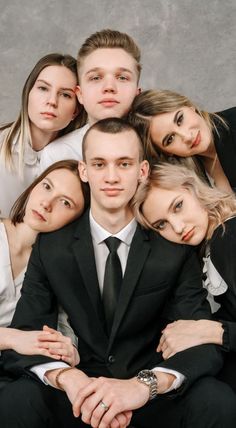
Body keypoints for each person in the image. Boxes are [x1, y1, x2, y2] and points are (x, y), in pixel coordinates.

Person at [1, 118, 236, 428]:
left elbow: (199, 343)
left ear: (142, 172)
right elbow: (27, 334)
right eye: (99, 164)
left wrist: (144, 386)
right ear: (84, 171)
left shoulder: (172, 245)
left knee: (216, 400)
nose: (111, 177)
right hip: (77, 394)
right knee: (17, 400)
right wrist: (67, 378)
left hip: (149, 393)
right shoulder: (52, 246)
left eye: (124, 164)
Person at [132, 160, 236, 391]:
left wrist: (214, 332)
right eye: (161, 224)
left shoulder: (227, 237)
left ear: (193, 188)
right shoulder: (210, 247)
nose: (177, 227)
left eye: (178, 206)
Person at [0, 159, 90, 386]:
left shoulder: (56, 266)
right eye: (47, 186)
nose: (47, 204)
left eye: (65, 203)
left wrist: (68, 350)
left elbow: (61, 329)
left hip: (11, 377)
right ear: (34, 185)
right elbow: (24, 340)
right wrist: (14, 338)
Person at [39, 28, 141, 171]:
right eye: (96, 78)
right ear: (80, 94)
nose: (109, 87)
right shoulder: (57, 155)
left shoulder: (157, 146)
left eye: (122, 77)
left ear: (137, 93)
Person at [0, 53, 81, 217]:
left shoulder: (80, 157)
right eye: (43, 88)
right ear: (28, 93)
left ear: (76, 110)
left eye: (65, 94)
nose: (52, 101)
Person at [128, 89, 236, 192]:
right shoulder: (188, 173)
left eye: (180, 119)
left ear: (189, 106)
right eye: (170, 139)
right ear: (166, 152)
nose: (187, 137)